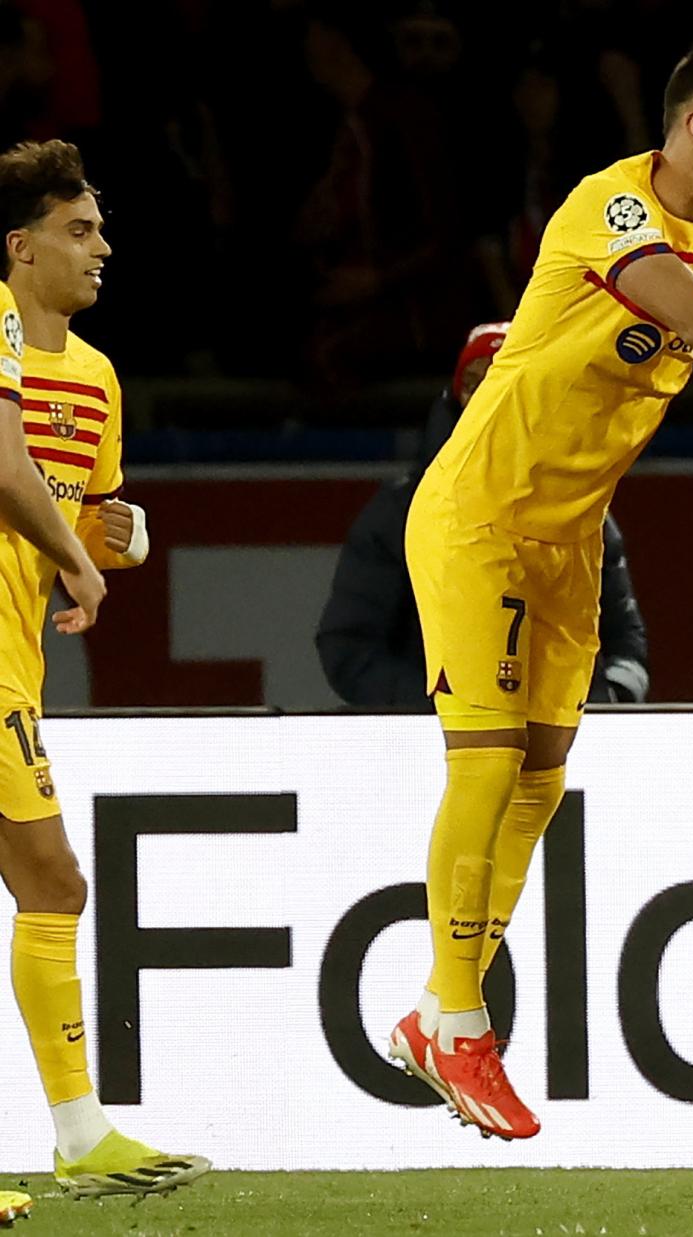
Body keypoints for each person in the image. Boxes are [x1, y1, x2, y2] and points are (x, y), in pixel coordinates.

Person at [389, 42, 693, 1142]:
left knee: (539, 779)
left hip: (571, 541)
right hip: (480, 517)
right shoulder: (607, 209)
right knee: (485, 764)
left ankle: (438, 1009)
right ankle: (457, 1017)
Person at [0, 140, 208, 1201]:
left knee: (52, 883)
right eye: (77, 231)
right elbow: (6, 469)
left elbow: (87, 514)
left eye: (101, 230)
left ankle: (82, 1135)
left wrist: (112, 542)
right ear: (19, 247)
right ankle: (79, 1132)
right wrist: (83, 561)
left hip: (15, 655)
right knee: (54, 880)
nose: (102, 248)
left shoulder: (96, 377)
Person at [317, 322, 650, 709]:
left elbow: (625, 644)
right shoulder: (402, 511)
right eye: (473, 383)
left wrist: (606, 703)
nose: (486, 398)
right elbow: (350, 647)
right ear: (456, 397)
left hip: (560, 731)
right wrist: (445, 711)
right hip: (438, 735)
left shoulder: (584, 510)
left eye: (502, 381)